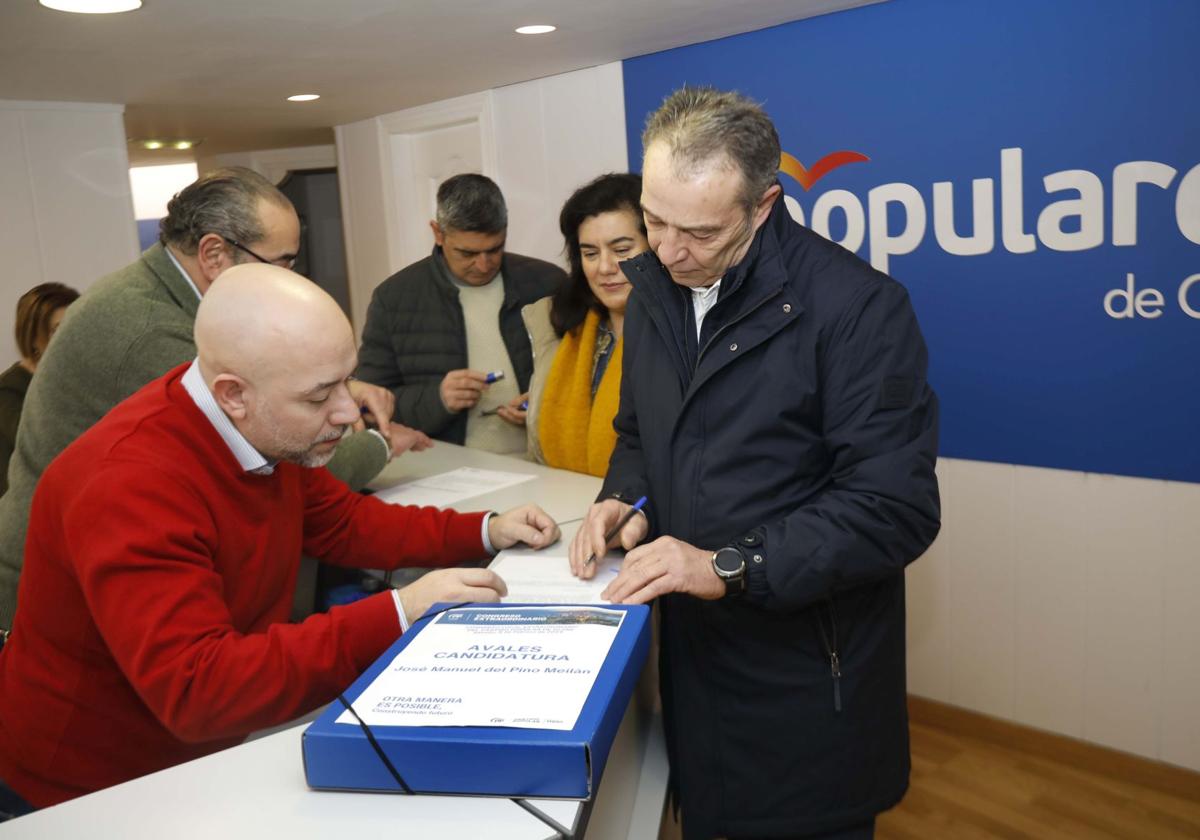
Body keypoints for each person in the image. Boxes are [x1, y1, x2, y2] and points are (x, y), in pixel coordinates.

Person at [0, 265, 561, 813]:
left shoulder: (264, 425)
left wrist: (483, 529)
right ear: (233, 394)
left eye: (347, 379)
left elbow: (342, 523)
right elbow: (199, 688)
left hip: (192, 756)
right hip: (83, 792)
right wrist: (400, 611)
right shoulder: (128, 485)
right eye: (319, 397)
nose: (346, 413)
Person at [569, 88, 941, 839]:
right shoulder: (653, 293)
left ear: (763, 205)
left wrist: (727, 565)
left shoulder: (859, 310)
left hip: (804, 686)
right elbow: (639, 432)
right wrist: (624, 497)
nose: (667, 251)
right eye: (654, 220)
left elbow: (892, 509)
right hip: (695, 669)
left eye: (698, 232)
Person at [0, 167, 423, 635]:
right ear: (215, 254)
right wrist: (383, 443)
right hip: (53, 605)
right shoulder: (151, 334)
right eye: (281, 263)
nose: (289, 278)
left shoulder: (150, 292)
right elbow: (295, 458)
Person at [357, 173, 566, 455]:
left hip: (545, 462)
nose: (483, 265)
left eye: (495, 249)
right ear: (438, 234)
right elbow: (369, 405)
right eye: (467, 253)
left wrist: (543, 403)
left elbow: (586, 376)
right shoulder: (393, 298)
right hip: (447, 471)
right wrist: (437, 398)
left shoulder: (548, 283)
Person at [522, 173, 648, 476]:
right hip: (562, 504)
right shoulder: (562, 330)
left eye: (621, 250)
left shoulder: (686, 334)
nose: (605, 268)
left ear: (656, 246)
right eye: (590, 253)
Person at [0, 283, 80, 496]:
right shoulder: (8, 390)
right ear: (33, 337)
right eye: (56, 329)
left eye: (73, 324)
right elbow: (38, 446)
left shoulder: (76, 377)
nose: (69, 335)